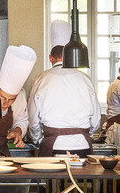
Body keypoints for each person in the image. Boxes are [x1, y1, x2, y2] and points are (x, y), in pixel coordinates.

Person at [27, 19, 102, 157]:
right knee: (82, 179)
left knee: (51, 179)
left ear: (51, 58)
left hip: (52, 146)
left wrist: (38, 139)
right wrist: (83, 134)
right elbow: (96, 120)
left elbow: (32, 121)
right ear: (71, 55)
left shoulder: (40, 79)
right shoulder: (85, 79)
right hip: (83, 146)